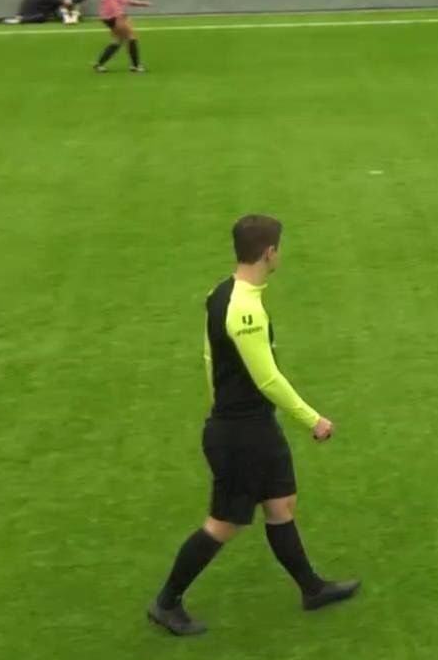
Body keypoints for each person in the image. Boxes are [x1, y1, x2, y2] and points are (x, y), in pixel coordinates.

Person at [147, 215, 359, 636]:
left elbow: (210, 359)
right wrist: (313, 419)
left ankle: (312, 589)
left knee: (281, 504)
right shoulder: (246, 310)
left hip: (251, 426)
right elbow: (268, 379)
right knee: (225, 523)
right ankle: (166, 602)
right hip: (240, 434)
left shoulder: (220, 293)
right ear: (269, 253)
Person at [94, 0, 151, 73]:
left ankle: (99, 64)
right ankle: (136, 65)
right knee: (131, 36)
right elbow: (113, 0)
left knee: (118, 40)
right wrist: (119, 15)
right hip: (113, 15)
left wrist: (140, 3)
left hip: (107, 15)